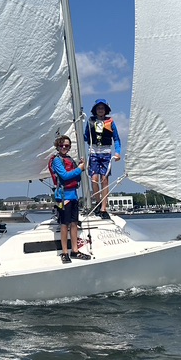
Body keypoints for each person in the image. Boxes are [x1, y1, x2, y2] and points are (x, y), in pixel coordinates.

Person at [50, 135, 89, 263]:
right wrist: (79, 169)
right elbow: (65, 176)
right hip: (63, 196)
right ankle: (64, 252)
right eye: (62, 145)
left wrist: (79, 167)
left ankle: (75, 251)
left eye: (67, 146)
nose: (64, 148)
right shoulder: (57, 160)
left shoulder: (69, 159)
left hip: (73, 196)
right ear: (58, 146)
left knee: (74, 224)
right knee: (64, 224)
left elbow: (76, 178)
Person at [84, 98, 122, 217]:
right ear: (95, 110)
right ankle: (98, 202)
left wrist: (118, 152)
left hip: (106, 153)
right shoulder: (90, 121)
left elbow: (116, 139)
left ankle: (103, 208)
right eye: (98, 108)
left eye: (102, 108)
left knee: (104, 180)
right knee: (94, 179)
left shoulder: (110, 122)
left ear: (106, 110)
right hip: (94, 152)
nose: (100, 110)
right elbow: (85, 136)